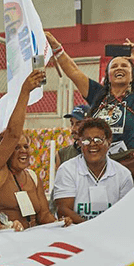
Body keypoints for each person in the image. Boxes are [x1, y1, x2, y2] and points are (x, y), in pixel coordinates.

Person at [46, 31, 134, 176]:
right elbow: (73, 72)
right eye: (114, 66)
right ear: (108, 76)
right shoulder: (98, 95)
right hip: (98, 166)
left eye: (124, 66)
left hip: (128, 169)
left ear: (132, 76)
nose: (119, 68)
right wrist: (56, 47)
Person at [0, 69, 59, 228]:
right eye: (16, 148)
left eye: (26, 146)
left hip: (33, 240)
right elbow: (12, 135)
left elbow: (44, 214)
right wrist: (25, 92)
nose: (23, 150)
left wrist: (61, 225)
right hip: (8, 240)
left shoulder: (32, 177)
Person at [53, 118, 133, 223]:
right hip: (76, 232)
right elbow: (63, 210)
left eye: (98, 140)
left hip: (111, 232)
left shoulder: (123, 174)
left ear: (109, 142)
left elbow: (126, 212)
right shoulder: (67, 170)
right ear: (80, 143)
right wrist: (91, 229)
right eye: (86, 140)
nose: (92, 144)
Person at [56, 104, 90, 170]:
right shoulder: (63, 154)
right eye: (72, 123)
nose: (73, 128)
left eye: (78, 124)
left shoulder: (98, 152)